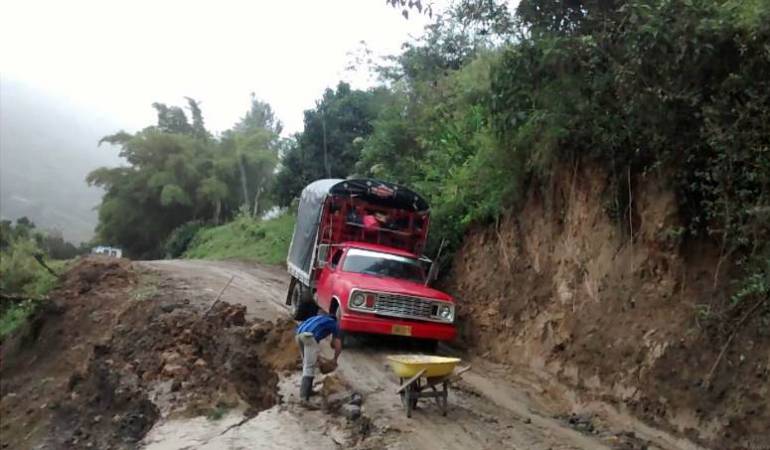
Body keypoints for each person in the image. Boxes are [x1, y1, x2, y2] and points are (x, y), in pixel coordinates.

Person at [295, 313, 343, 401]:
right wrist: (335, 359)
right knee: (309, 367)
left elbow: (314, 348)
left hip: (298, 335)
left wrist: (319, 359)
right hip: (309, 337)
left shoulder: (316, 318)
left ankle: (308, 391)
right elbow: (338, 345)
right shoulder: (333, 323)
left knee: (307, 363)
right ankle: (304, 398)